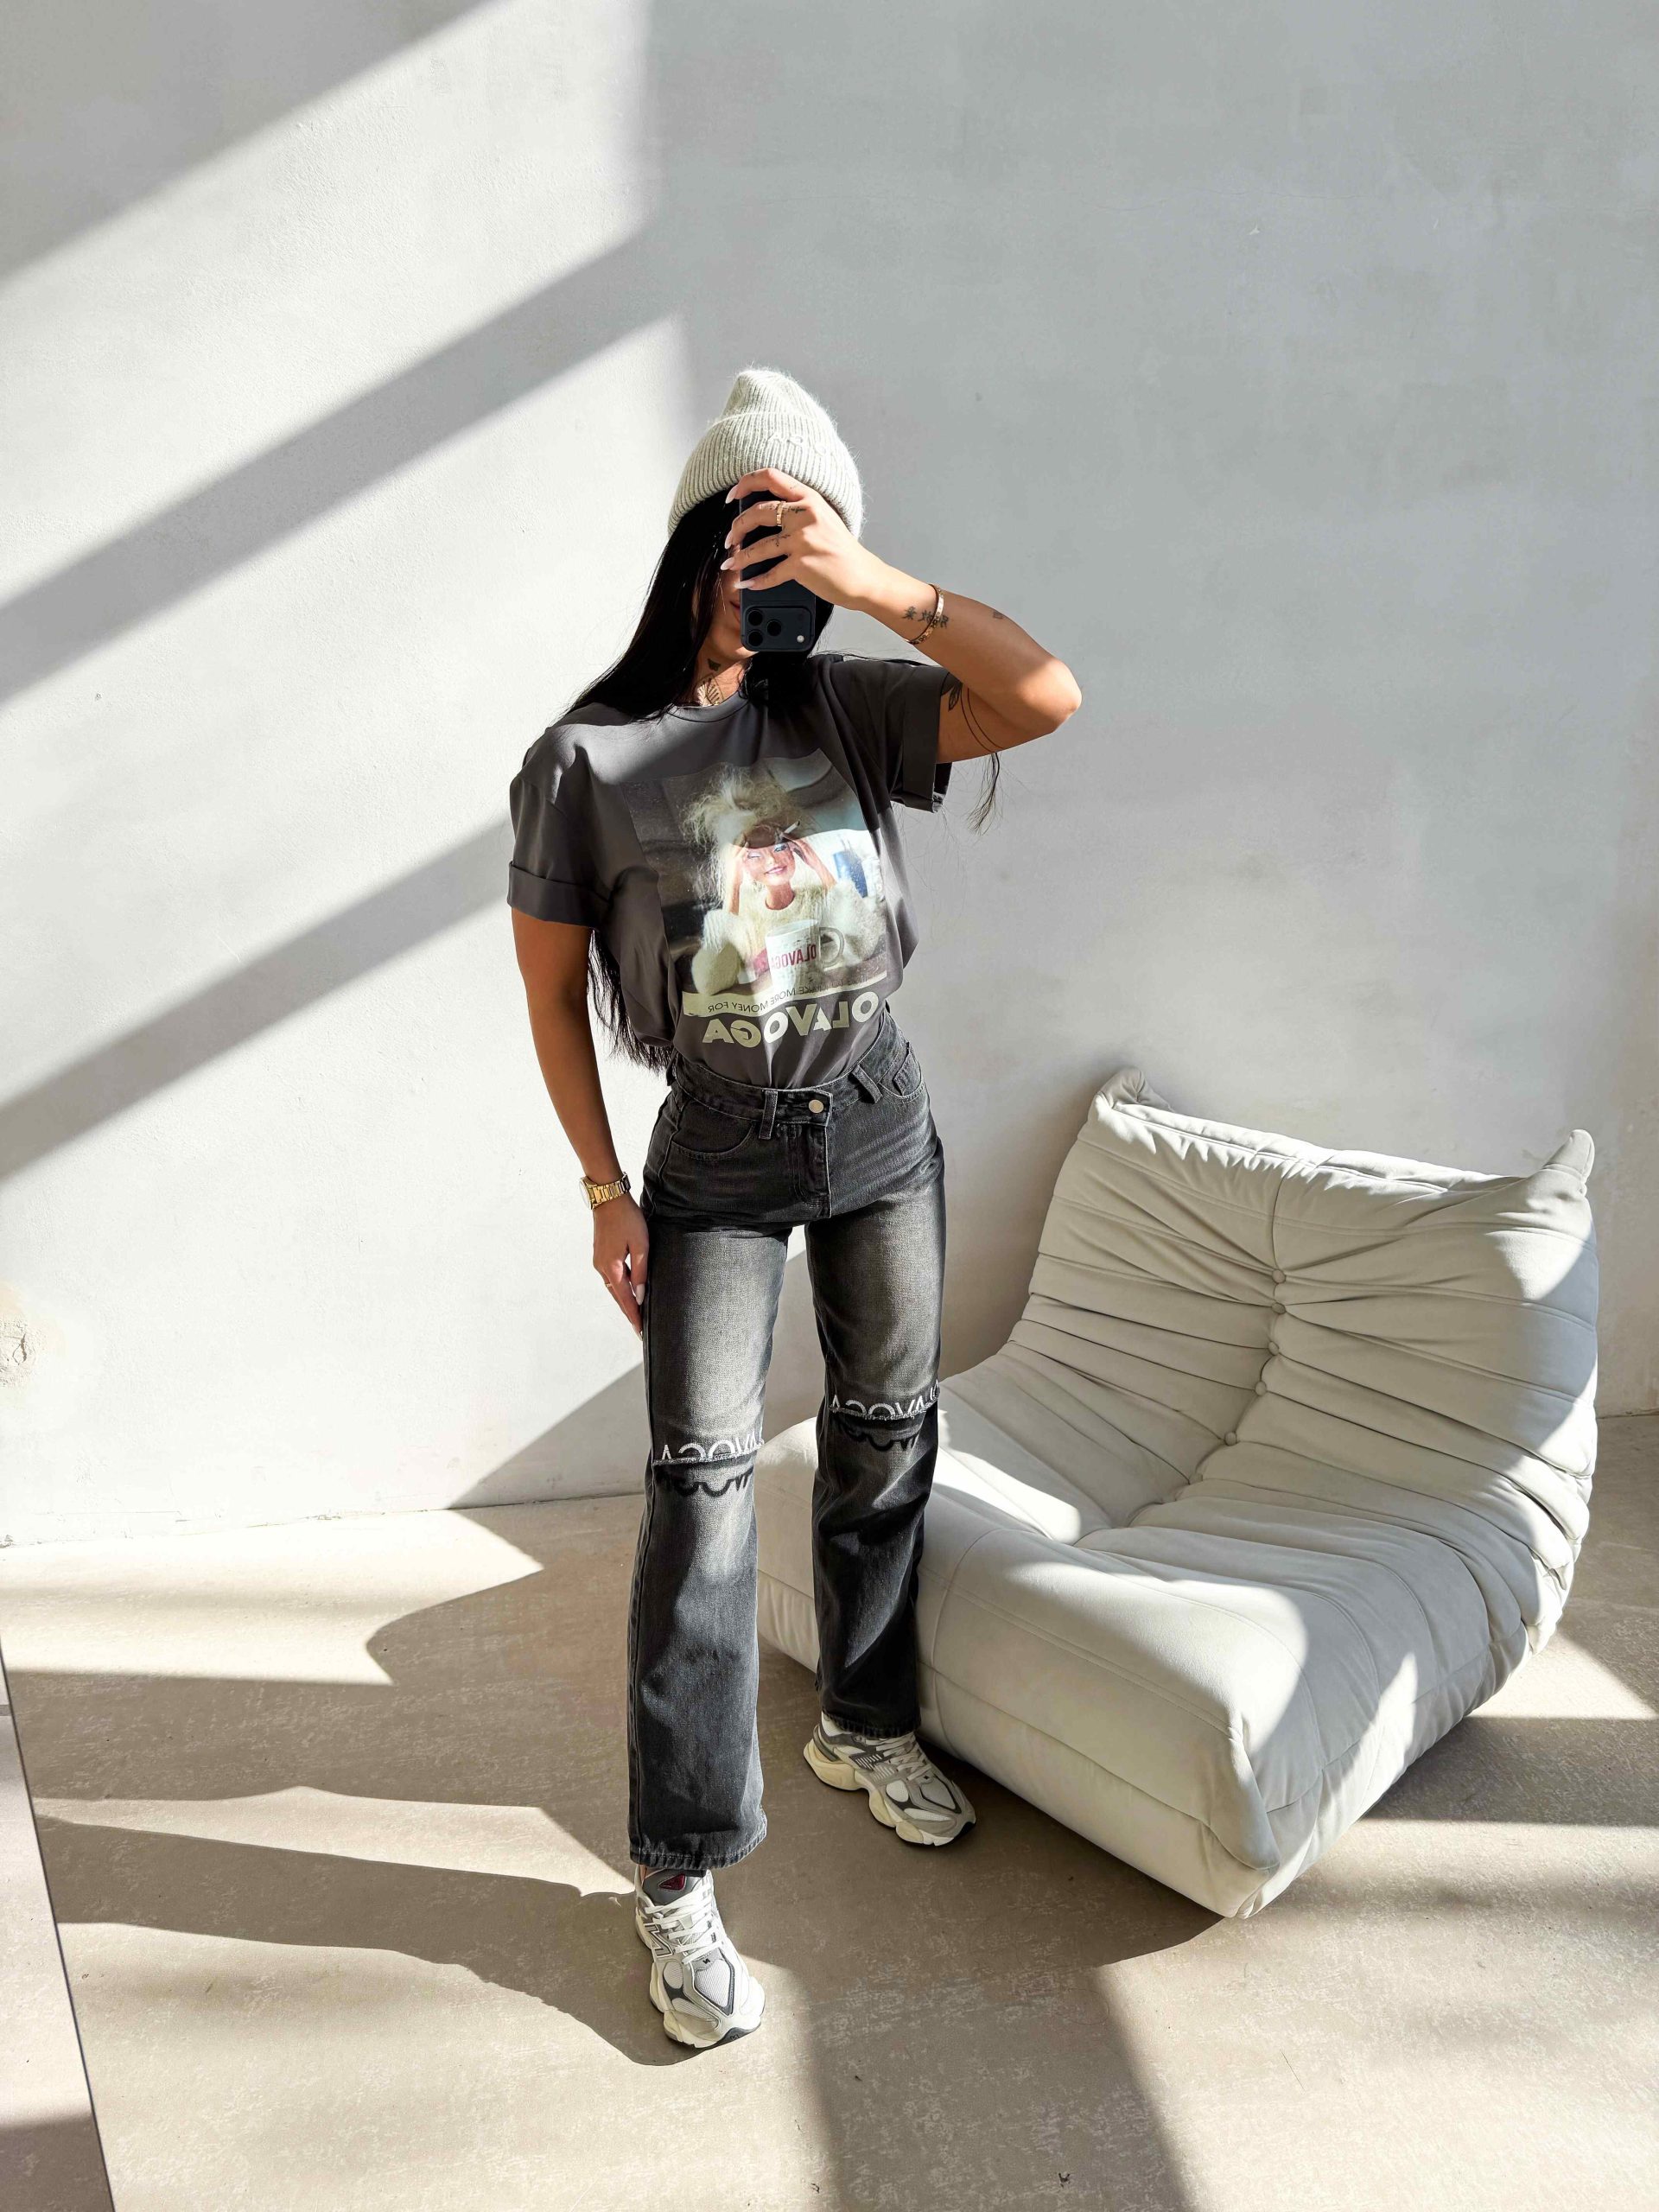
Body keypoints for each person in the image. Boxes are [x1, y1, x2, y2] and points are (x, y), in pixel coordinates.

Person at [507, 367, 1082, 2048]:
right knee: (699, 1493)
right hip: (717, 1154)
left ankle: (866, 1717)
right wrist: (604, 1188)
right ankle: (679, 1866)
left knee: (889, 1431)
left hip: (882, 1121)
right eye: (754, 530)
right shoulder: (586, 758)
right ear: (697, 537)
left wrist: (877, 581)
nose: (772, 569)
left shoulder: (846, 706)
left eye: (801, 535)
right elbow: (549, 1002)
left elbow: (1046, 694)